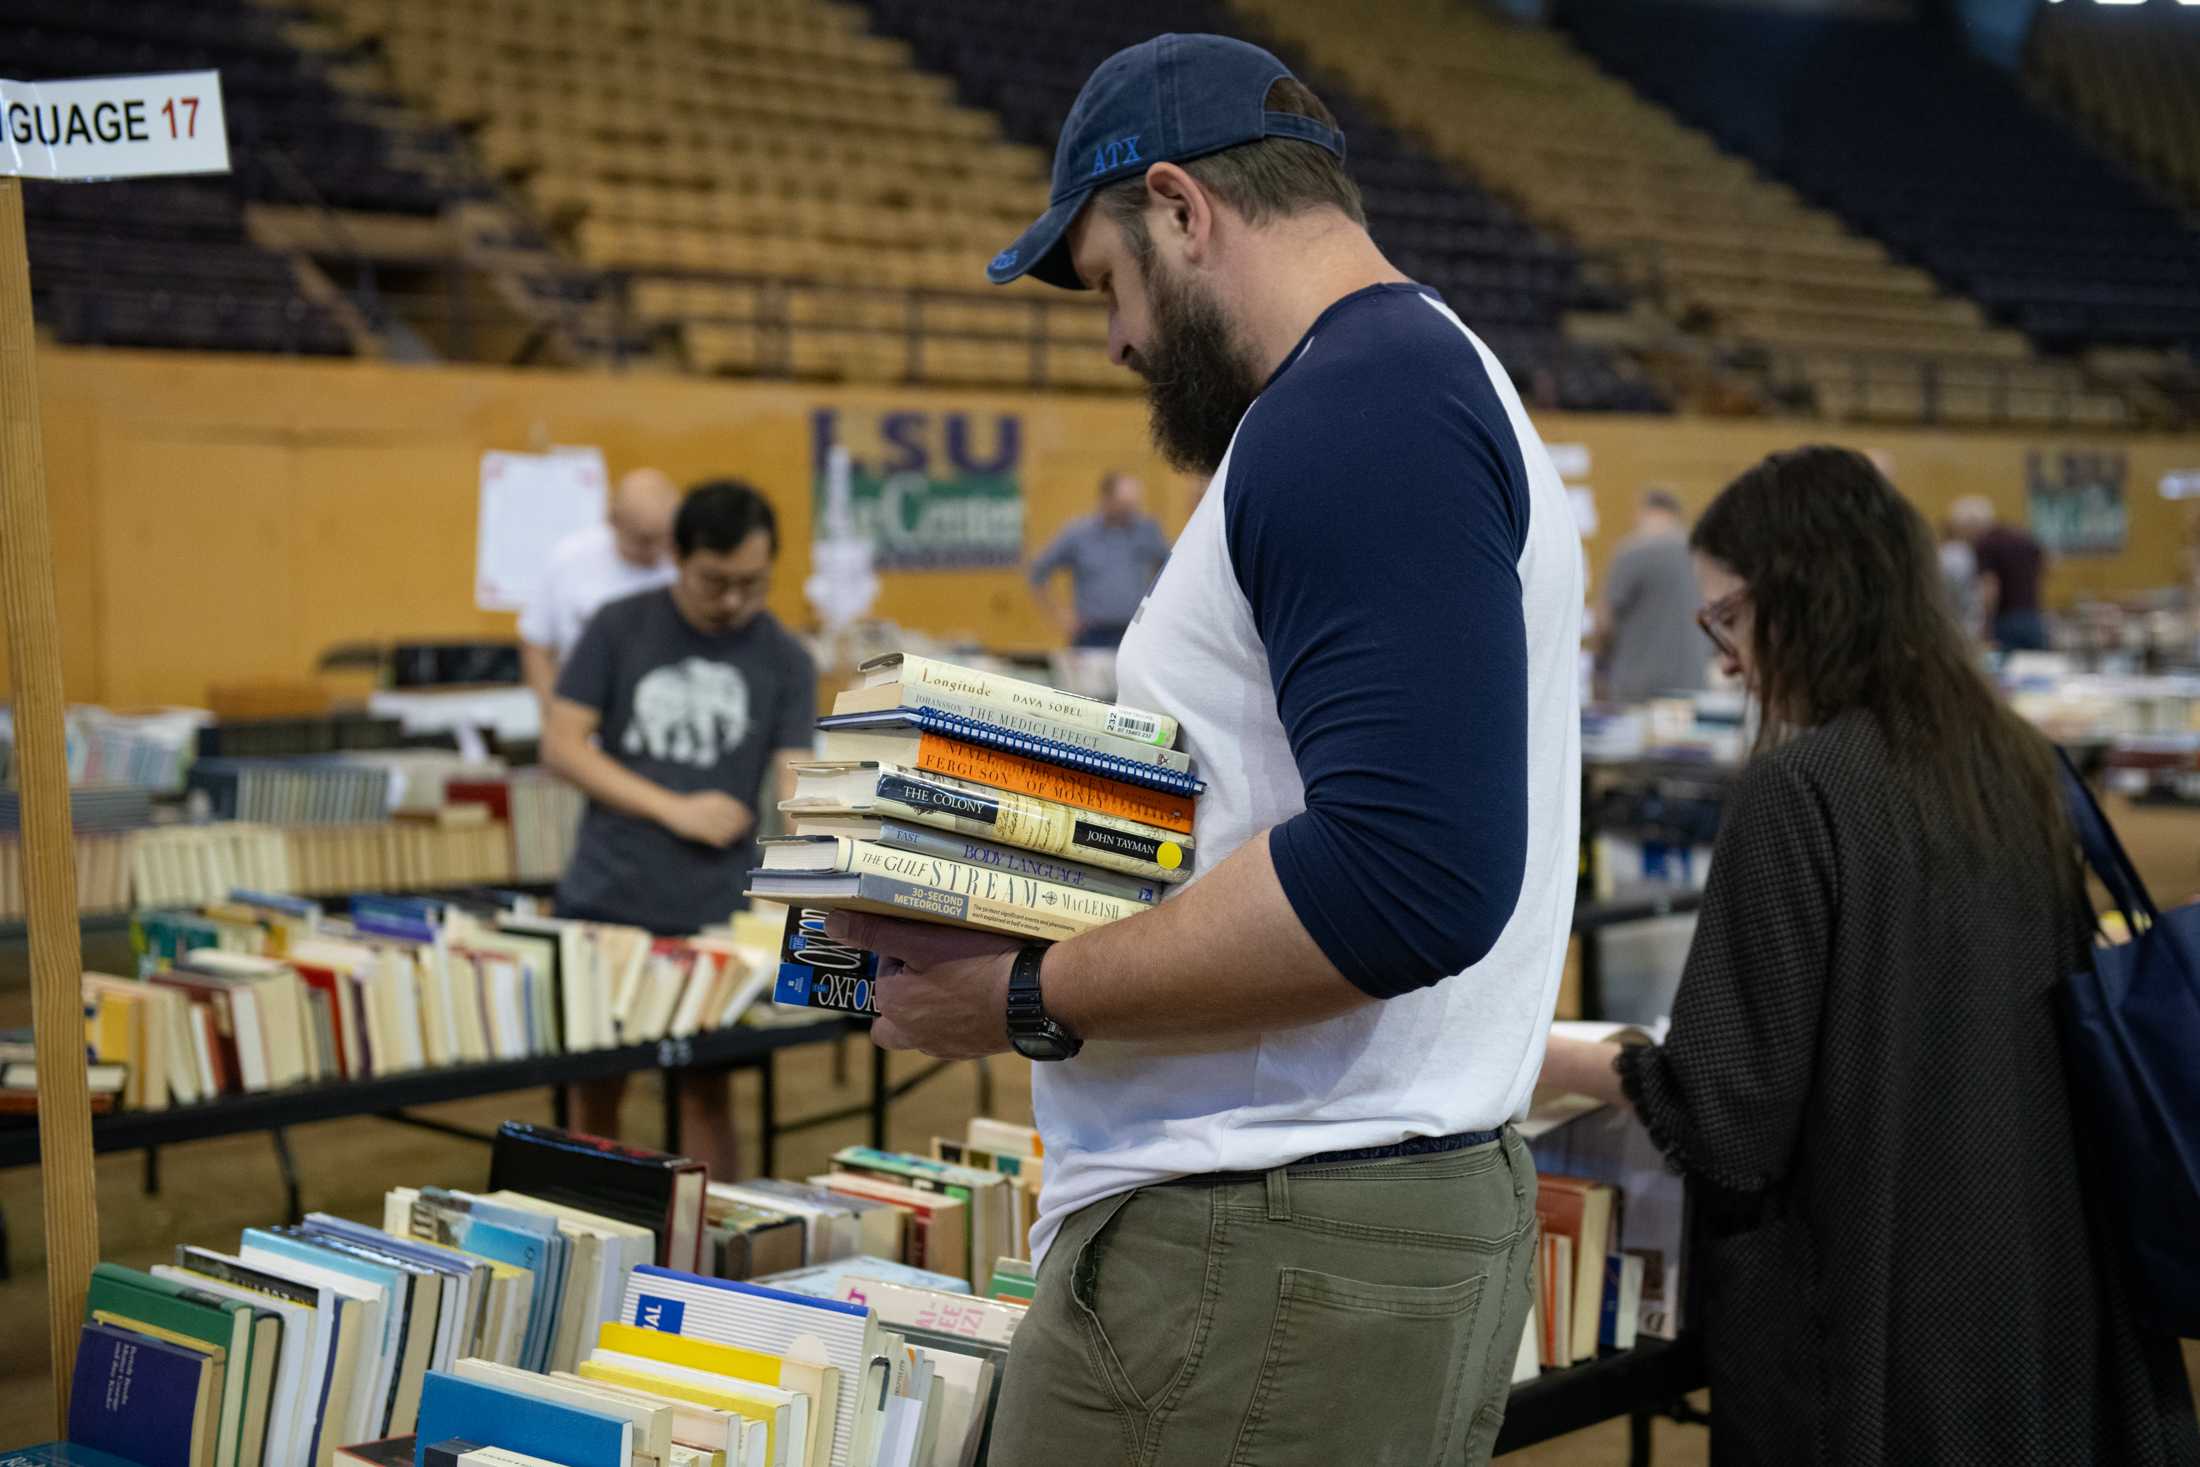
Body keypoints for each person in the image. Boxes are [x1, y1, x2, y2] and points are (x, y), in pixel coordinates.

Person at [824, 35, 1582, 1465]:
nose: (1113, 339)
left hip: (1264, 1242)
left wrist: (1024, 995)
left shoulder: (1360, 407)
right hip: (1313, 1222)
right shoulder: (1405, 385)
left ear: (1182, 208)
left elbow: (1403, 874)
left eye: (1108, 281)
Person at [1542, 447, 2200, 1466]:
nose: (1723, 658)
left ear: (1804, 595)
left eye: (1726, 617)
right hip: (2055, 1298)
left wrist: (1593, 1060)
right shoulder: (2016, 764)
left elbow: (1727, 1120)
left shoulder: (1797, 792)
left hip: (1881, 1332)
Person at [541, 480, 817, 1178]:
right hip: (610, 890)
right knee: (596, 1084)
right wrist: (675, 807)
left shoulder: (785, 657)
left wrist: (799, 879)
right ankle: (587, 1237)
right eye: (713, 582)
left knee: (708, 1089)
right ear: (675, 556)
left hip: (713, 906)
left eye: (751, 584)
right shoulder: (618, 624)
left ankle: (708, 1258)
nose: (731, 601)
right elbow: (563, 745)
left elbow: (796, 782)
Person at [519, 466, 682, 714]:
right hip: (582, 710)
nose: (657, 548)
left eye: (665, 537)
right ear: (613, 519)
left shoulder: (685, 566)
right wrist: (554, 714)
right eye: (644, 539)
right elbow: (535, 645)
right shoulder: (571, 557)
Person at [1025, 470, 1171, 648]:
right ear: (1106, 499)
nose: (1130, 511)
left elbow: (1170, 571)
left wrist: (1156, 611)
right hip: (1092, 635)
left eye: (1133, 505)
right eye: (1124, 505)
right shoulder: (1078, 534)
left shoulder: (1147, 531)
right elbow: (1038, 572)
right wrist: (1061, 615)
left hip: (1135, 631)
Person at [1596, 486, 1712, 702]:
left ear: (1644, 512)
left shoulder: (1631, 553)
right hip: (1692, 686)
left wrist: (1599, 673)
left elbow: (1604, 623)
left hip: (1637, 690)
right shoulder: (1702, 555)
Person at [1953, 494, 2051, 652]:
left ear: (1971, 526)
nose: (1965, 538)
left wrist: (1985, 626)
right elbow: (2046, 567)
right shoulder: (2023, 537)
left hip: (2006, 622)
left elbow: (1990, 586)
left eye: (1963, 531)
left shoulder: (1985, 544)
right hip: (2033, 617)